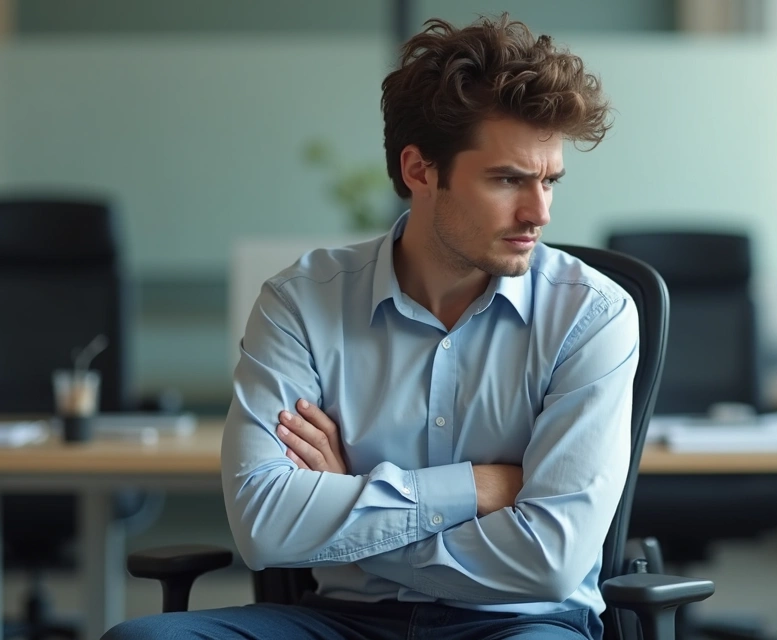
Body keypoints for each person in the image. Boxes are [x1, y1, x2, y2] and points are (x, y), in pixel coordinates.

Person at [104, 13, 637, 640]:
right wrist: (474, 487)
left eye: (549, 181)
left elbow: (550, 562)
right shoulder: (301, 303)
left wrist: (351, 506)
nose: (539, 211)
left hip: (518, 624)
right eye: (507, 180)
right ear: (419, 171)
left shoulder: (591, 314)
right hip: (339, 620)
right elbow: (263, 525)